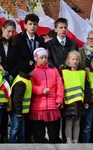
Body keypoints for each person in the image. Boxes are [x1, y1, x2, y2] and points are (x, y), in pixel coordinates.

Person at [46, 17, 78, 143]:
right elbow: (48, 61)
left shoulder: (73, 44)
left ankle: (67, 140)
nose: (63, 30)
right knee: (56, 111)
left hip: (70, 82)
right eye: (61, 27)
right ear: (55, 29)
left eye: (65, 27)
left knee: (69, 114)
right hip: (56, 81)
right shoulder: (50, 44)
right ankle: (54, 139)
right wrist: (56, 69)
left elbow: (76, 60)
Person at [14, 13, 45, 142]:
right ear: (25, 25)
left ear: (38, 26)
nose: (32, 26)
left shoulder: (40, 40)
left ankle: (31, 136)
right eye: (30, 24)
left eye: (35, 24)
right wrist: (27, 66)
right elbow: (16, 59)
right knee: (20, 107)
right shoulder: (19, 39)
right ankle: (20, 138)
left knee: (32, 108)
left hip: (36, 77)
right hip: (23, 76)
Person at [29, 47, 64, 143]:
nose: (44, 59)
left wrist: (59, 99)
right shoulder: (33, 71)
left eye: (45, 57)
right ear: (36, 59)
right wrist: (41, 90)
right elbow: (32, 86)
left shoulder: (53, 70)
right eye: (42, 57)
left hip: (52, 106)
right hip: (39, 107)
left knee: (53, 133)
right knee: (39, 132)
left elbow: (59, 86)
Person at [60, 50, 91, 144]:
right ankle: (69, 140)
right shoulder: (63, 72)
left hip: (79, 102)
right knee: (69, 122)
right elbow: (60, 88)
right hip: (68, 102)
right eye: (73, 59)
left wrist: (86, 101)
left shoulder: (83, 73)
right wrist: (61, 101)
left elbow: (87, 88)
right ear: (68, 60)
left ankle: (76, 140)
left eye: (77, 59)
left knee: (77, 122)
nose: (75, 61)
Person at [0, 20, 19, 143]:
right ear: (3, 29)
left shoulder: (14, 45)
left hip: (10, 79)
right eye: (8, 31)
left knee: (9, 107)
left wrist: (12, 74)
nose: (10, 34)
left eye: (12, 32)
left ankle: (5, 136)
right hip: (0, 80)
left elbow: (17, 62)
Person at [9, 60, 35, 143]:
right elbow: (17, 99)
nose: (34, 71)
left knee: (21, 127)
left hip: (21, 110)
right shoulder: (21, 82)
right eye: (32, 70)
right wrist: (19, 112)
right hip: (17, 110)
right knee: (16, 126)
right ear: (27, 71)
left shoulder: (25, 79)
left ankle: (21, 143)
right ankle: (12, 143)